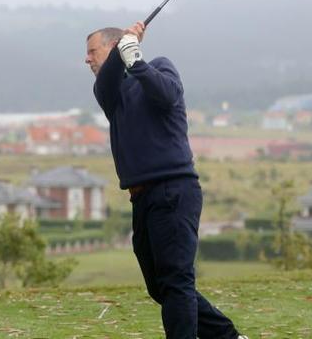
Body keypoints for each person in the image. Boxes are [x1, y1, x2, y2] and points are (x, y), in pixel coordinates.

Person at [86, 24, 245, 339]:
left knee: (175, 280)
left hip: (174, 189)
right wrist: (123, 53)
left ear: (111, 45)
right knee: (161, 286)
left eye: (92, 51)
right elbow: (105, 83)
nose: (86, 59)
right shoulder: (111, 93)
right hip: (141, 197)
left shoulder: (159, 66)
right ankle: (227, 337)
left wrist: (137, 62)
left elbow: (167, 95)